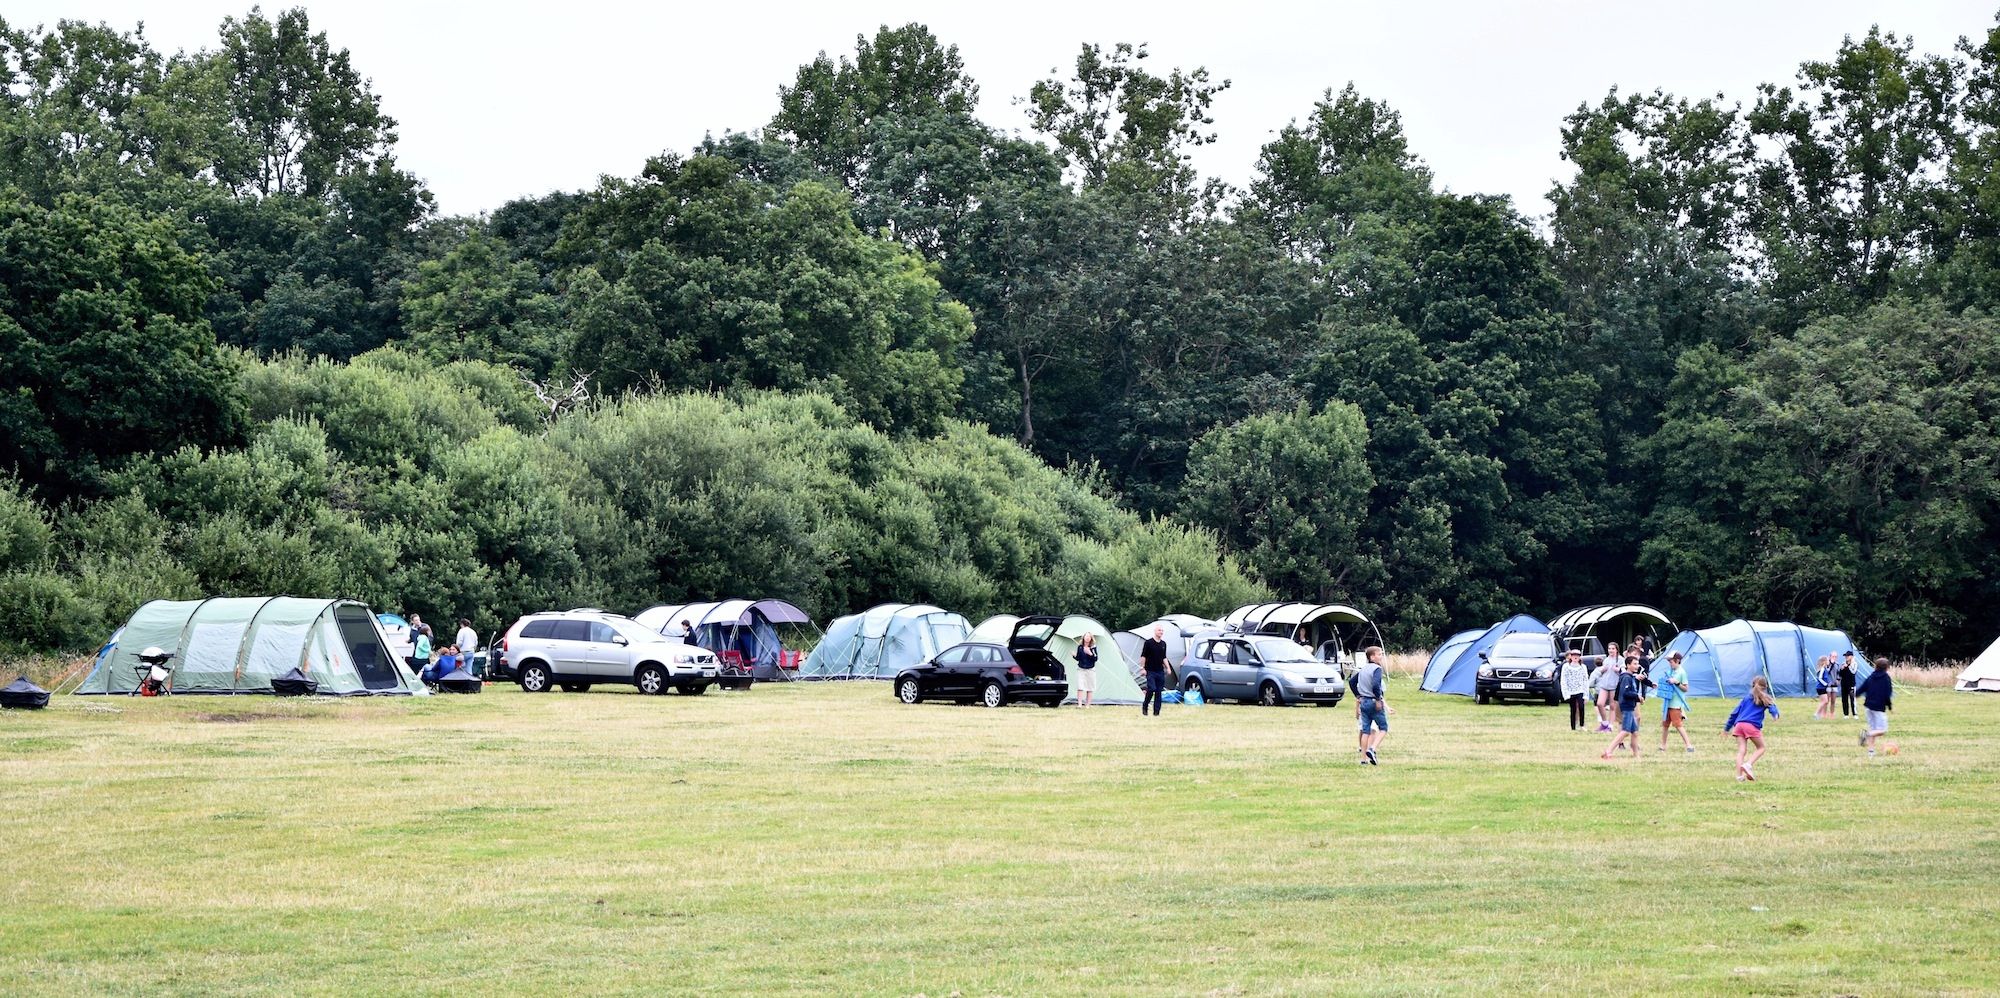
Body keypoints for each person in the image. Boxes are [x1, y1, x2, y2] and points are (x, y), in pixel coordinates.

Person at [1724, 675, 1780, 780]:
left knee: (1741, 751)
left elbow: (1734, 714)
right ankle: (1748, 765)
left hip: (1739, 726)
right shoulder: (1765, 697)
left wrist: (1727, 728)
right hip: (1751, 726)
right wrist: (1775, 714)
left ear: (1752, 685)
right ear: (1766, 687)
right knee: (1761, 748)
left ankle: (1739, 776)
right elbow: (1772, 706)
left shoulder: (1745, 699)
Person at [1348, 646, 1391, 765]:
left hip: (1364, 702)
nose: (1381, 656)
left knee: (1365, 730)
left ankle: (1363, 759)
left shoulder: (1363, 669)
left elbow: (1352, 682)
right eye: (1379, 654)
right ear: (1372, 657)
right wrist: (1378, 699)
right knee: (1383, 728)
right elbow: (1376, 685)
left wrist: (1358, 695)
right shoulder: (1377, 669)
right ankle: (1372, 749)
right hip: (1373, 701)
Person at [1602, 657, 1645, 759]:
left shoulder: (1630, 677)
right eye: (1634, 664)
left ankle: (1636, 755)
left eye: (1637, 664)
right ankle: (1608, 751)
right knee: (1625, 731)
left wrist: (1637, 698)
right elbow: (1625, 693)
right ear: (1628, 665)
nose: (1637, 666)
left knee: (1634, 732)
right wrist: (1637, 697)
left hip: (1630, 706)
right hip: (1627, 707)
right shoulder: (1626, 677)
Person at [1657, 650, 1693, 753]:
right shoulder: (1670, 671)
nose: (1669, 663)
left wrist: (1676, 683)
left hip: (1676, 703)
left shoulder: (1682, 672)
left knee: (1678, 725)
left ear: (1677, 661)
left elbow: (1686, 688)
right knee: (1665, 725)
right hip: (1667, 702)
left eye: (1671, 661)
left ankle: (1688, 745)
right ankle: (1663, 746)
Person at [1858, 656, 1894, 756]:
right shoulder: (1886, 678)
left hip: (1868, 707)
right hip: (1878, 708)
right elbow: (1887, 694)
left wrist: (1856, 694)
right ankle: (1866, 735)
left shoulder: (1871, 676)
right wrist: (1890, 706)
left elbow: (1863, 687)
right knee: (1882, 730)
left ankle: (1871, 752)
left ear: (1876, 667)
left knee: (1874, 729)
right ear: (1886, 667)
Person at [1139, 625, 1170, 716]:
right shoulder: (1148, 643)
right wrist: (1142, 668)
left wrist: (1168, 668)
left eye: (1162, 630)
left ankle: (1156, 712)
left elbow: (1164, 657)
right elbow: (1143, 656)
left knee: (1158, 691)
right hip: (1150, 670)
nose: (1161, 632)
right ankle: (1145, 705)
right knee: (1152, 688)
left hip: (1160, 671)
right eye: (1159, 630)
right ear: (1155, 631)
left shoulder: (1163, 644)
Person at [1559, 648, 1589, 731]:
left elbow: (1585, 680)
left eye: (1577, 656)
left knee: (1581, 707)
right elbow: (1563, 680)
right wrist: (1565, 693)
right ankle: (1573, 727)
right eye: (1573, 655)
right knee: (1573, 709)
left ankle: (1582, 724)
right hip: (1570, 691)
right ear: (1570, 657)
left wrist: (1586, 694)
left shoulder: (1583, 667)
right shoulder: (1566, 667)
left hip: (1580, 690)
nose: (1575, 657)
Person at [1590, 653, 1621, 733]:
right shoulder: (1606, 660)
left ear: (1616, 650)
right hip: (1604, 685)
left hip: (1614, 685)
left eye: (1613, 649)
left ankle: (1610, 726)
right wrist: (1602, 670)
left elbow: (1623, 671)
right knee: (1599, 703)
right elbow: (1600, 673)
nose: (1611, 650)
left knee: (1612, 706)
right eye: (1609, 648)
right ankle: (1604, 723)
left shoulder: (1620, 659)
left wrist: (1618, 670)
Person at [1074, 633, 1099, 708]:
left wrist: (1090, 653)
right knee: (1080, 686)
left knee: (1090, 687)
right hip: (1081, 669)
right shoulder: (1080, 647)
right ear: (1083, 637)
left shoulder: (1093, 647)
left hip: (1090, 669)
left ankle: (1087, 705)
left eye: (1089, 637)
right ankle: (1079, 704)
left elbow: (1095, 658)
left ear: (1091, 638)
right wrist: (1074, 656)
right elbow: (1078, 658)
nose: (1087, 638)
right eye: (1086, 636)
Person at [1813, 655, 1837, 719]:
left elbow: (1830, 668)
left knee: (1823, 701)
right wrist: (1826, 684)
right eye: (1827, 660)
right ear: (1824, 661)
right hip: (1821, 687)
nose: (1828, 661)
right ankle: (1816, 713)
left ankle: (1818, 715)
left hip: (1823, 687)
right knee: (1825, 701)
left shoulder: (1825, 668)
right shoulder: (1822, 669)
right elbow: (1820, 678)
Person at [1838, 651, 1858, 717]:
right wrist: (1842, 669)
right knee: (1844, 699)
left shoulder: (1854, 664)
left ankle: (1855, 714)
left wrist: (1848, 666)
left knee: (1852, 699)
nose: (1846, 657)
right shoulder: (1843, 663)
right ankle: (1846, 714)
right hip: (1844, 684)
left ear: (1851, 656)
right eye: (1845, 656)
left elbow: (1853, 672)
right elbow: (1840, 674)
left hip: (1851, 684)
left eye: (1847, 656)